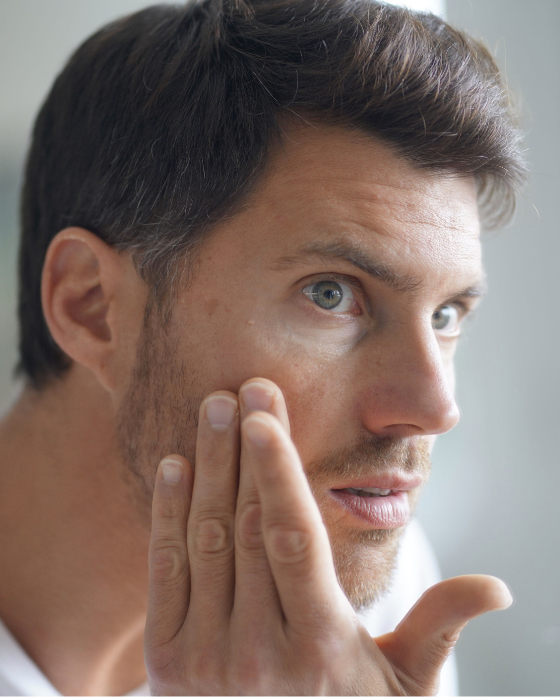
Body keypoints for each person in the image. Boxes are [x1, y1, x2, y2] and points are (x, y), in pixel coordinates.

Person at [0, 0, 527, 694]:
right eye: (332, 293)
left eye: (447, 313)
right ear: (92, 307)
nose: (434, 407)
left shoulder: (362, 589)